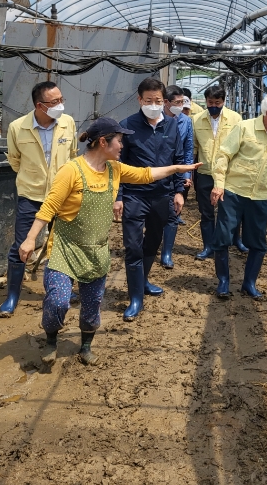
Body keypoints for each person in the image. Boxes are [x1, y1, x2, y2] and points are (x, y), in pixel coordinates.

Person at [18, 118, 199, 366]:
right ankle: (50, 339)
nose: (122, 146)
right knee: (58, 300)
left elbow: (146, 174)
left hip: (96, 251)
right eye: (119, 141)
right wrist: (29, 240)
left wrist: (177, 169)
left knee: (92, 304)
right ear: (103, 142)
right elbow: (49, 207)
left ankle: (85, 345)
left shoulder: (115, 169)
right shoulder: (72, 170)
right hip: (65, 248)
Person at [0, 81, 77, 318]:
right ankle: (12, 296)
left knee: (64, 246)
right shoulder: (17, 127)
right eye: (55, 102)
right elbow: (14, 160)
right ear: (40, 106)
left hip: (62, 196)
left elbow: (73, 156)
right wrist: (32, 178)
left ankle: (61, 290)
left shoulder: (68, 123)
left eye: (62, 99)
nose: (61, 105)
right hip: (31, 196)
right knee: (22, 246)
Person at [113, 78, 185, 321]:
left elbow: (177, 158)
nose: (153, 105)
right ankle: (135, 298)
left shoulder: (173, 125)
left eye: (157, 100)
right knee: (133, 246)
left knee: (153, 240)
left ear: (163, 101)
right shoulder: (127, 126)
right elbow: (118, 166)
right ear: (139, 100)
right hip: (135, 195)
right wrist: (119, 196)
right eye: (148, 100)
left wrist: (178, 191)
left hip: (162, 195)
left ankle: (142, 281)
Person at [210, 93, 267, 299]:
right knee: (223, 238)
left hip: (259, 197)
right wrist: (219, 185)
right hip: (233, 192)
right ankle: (223, 281)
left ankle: (249, 283)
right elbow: (223, 155)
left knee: (258, 243)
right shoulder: (244, 128)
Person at [192, 84, 248, 260]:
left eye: (217, 102)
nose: (213, 105)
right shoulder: (197, 120)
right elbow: (194, 147)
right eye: (210, 102)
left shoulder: (235, 119)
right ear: (206, 101)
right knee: (206, 212)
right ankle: (208, 246)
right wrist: (191, 173)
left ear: (224, 101)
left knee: (230, 211)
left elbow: (241, 147)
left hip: (229, 174)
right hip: (205, 172)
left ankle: (235, 240)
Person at [160, 85, 194, 268]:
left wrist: (187, 173)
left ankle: (167, 253)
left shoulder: (186, 122)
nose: (181, 106)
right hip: (156, 171)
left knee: (173, 213)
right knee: (155, 213)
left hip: (176, 172)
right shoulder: (155, 119)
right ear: (166, 102)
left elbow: (188, 149)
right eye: (177, 102)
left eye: (183, 102)